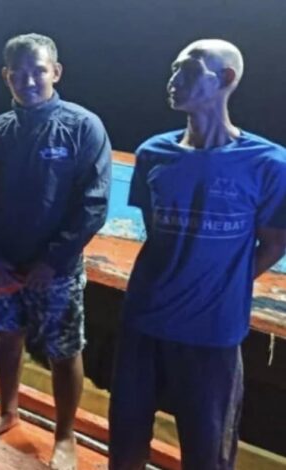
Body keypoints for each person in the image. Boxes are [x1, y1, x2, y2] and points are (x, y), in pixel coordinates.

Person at [109, 39, 286, 470]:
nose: (172, 79)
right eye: (172, 69)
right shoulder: (153, 153)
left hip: (212, 334)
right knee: (126, 441)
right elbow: (158, 233)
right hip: (143, 322)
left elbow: (275, 242)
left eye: (186, 70)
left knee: (208, 454)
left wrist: (222, 283)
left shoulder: (268, 163)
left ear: (226, 78)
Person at [0, 33, 111, 469]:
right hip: (3, 267)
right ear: (5, 76)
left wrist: (54, 260)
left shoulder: (83, 126)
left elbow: (94, 203)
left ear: (56, 72)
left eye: (39, 71)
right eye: (19, 73)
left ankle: (65, 435)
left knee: (64, 350)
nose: (29, 81)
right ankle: (7, 411)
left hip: (56, 271)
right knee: (6, 337)